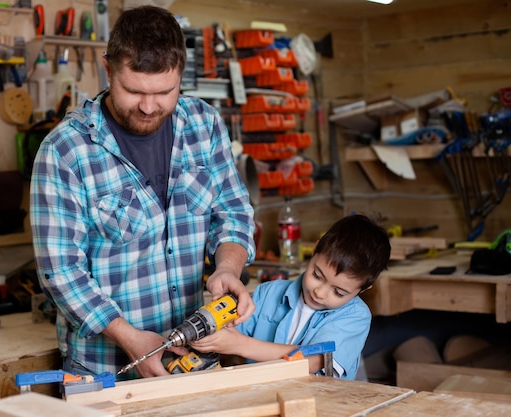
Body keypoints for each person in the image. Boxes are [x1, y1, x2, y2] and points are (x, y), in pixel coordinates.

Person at [29, 5, 256, 381]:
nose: (149, 106)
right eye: (133, 90)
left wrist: (227, 269)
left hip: (189, 360)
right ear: (108, 69)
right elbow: (61, 273)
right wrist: (129, 337)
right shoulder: (65, 151)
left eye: (164, 92)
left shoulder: (205, 125)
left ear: (181, 74)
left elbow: (232, 211)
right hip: (106, 370)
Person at [191, 214, 390, 380]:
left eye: (338, 292)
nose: (320, 293)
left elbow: (313, 361)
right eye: (317, 275)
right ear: (314, 250)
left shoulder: (355, 317)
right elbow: (231, 329)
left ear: (363, 289)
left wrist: (239, 345)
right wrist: (209, 334)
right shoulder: (269, 292)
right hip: (262, 396)